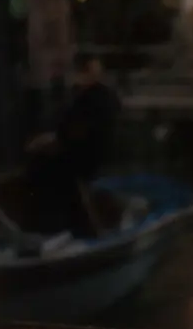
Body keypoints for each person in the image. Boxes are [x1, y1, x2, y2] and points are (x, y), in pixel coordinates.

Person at [23, 52, 122, 237]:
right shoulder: (93, 96)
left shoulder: (95, 99)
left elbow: (77, 133)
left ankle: (53, 225)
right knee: (40, 161)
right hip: (85, 151)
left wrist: (51, 143)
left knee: (41, 167)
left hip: (84, 156)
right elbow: (70, 129)